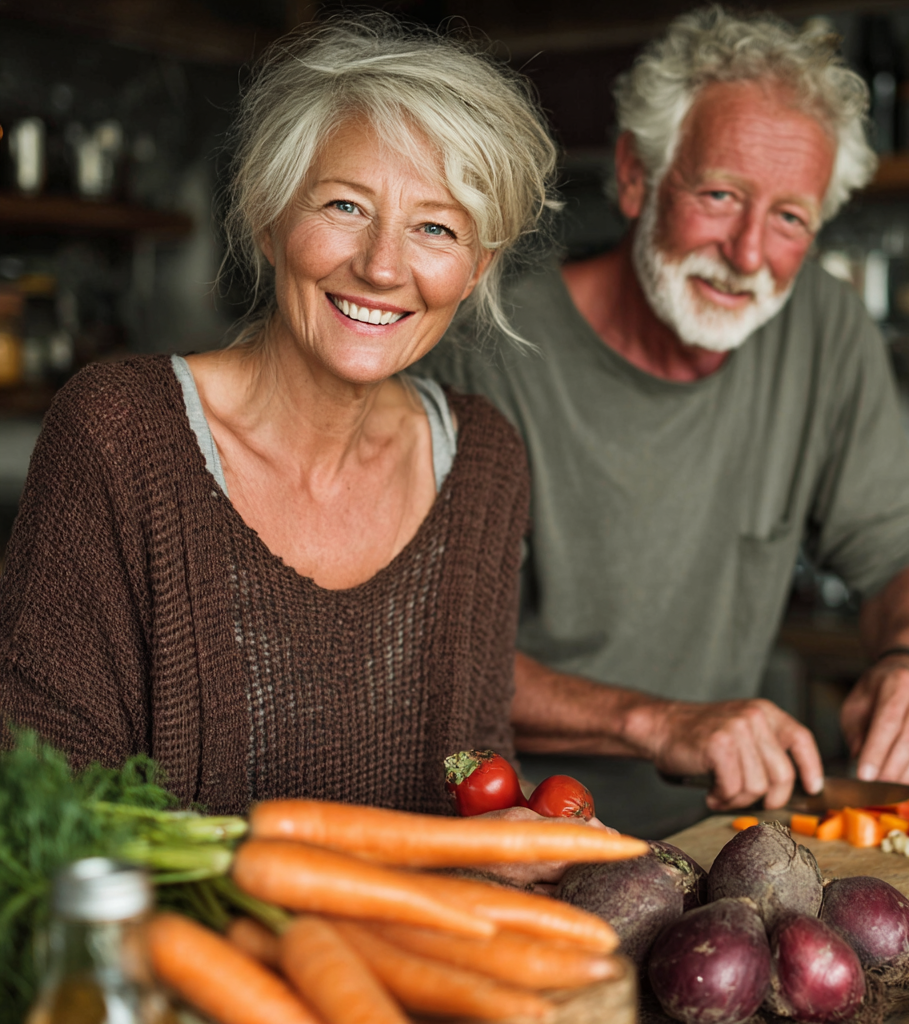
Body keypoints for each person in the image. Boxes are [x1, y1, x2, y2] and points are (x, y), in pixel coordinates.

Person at [0, 17, 561, 822]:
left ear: (476, 269)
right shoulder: (120, 433)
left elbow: (472, 788)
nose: (381, 265)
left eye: (436, 227)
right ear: (268, 219)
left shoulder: (481, 462)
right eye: (344, 205)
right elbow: (37, 796)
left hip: (411, 950)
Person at [419, 6, 909, 814]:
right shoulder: (488, 349)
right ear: (636, 176)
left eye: (788, 219)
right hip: (517, 829)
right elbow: (427, 649)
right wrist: (657, 722)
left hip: (717, 840)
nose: (747, 254)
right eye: (720, 194)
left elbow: (905, 557)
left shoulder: (825, 326)